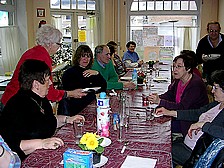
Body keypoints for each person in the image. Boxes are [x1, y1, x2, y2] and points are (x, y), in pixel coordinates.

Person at [0, 60, 85, 161]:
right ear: (36, 84)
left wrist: (68, 119)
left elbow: (48, 121)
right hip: (24, 160)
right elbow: (10, 145)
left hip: (43, 154)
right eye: (47, 79)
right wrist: (42, 143)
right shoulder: (17, 105)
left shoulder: (40, 98)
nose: (50, 83)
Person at [1, 24, 86, 107]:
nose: (59, 48)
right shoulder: (43, 58)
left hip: (10, 98)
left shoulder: (33, 51)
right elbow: (48, 92)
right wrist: (71, 93)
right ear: (49, 44)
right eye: (58, 44)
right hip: (16, 103)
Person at [155, 70, 224, 166]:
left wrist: (203, 125)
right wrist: (169, 112)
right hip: (187, 143)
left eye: (216, 88)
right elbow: (195, 113)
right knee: (162, 142)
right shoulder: (217, 104)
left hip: (196, 154)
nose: (212, 91)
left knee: (160, 151)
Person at [148, 54, 208, 136]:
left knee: (156, 127)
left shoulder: (195, 85)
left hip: (188, 122)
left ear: (188, 69)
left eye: (179, 67)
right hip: (177, 116)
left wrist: (160, 102)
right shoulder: (179, 79)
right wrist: (157, 97)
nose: (175, 70)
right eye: (174, 66)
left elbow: (182, 107)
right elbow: (170, 95)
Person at [58, 45, 107, 116]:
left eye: (88, 56)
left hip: (91, 108)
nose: (86, 59)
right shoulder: (69, 73)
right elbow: (75, 95)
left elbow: (104, 87)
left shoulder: (90, 72)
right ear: (78, 57)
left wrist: (97, 74)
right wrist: (94, 96)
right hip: (75, 111)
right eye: (83, 56)